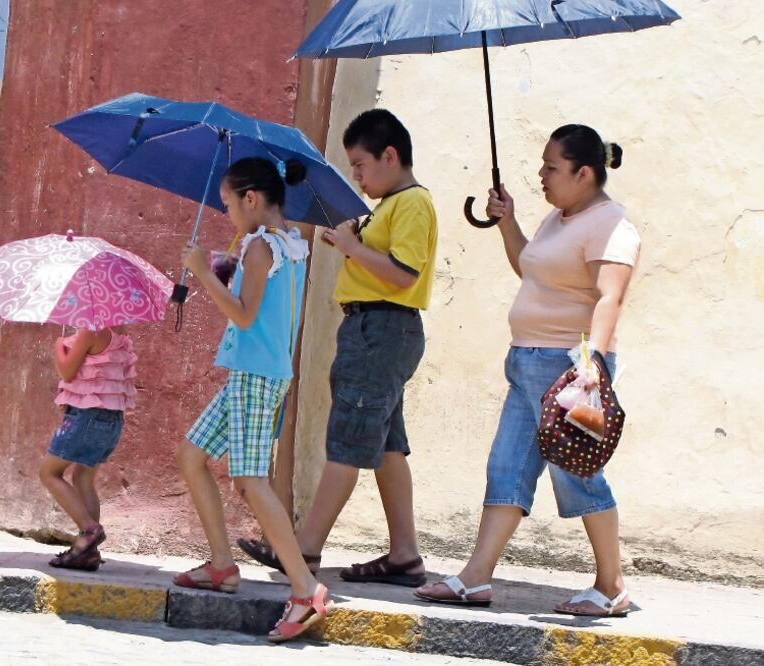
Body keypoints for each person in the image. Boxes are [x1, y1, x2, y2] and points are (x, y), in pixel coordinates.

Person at [414, 125, 641, 618]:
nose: (541, 175)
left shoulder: (611, 224)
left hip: (569, 369)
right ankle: (475, 579)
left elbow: (610, 296)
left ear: (584, 173)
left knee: (578, 476)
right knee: (507, 468)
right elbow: (529, 267)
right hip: (526, 363)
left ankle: (611, 585)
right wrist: (507, 222)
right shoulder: (557, 219)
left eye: (551, 167)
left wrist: (591, 365)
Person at [239, 109, 438, 589]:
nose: (357, 176)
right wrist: (351, 240)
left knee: (347, 441)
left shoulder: (412, 204)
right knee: (387, 445)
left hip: (381, 329)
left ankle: (303, 550)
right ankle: (405, 554)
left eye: (361, 165)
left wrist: (351, 246)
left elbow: (403, 273)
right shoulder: (390, 206)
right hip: (373, 329)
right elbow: (380, 262)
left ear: (390, 156)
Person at [174, 157, 331, 643]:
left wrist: (203, 272)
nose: (227, 215)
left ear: (250, 198)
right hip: (258, 371)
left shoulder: (262, 247)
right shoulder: (288, 244)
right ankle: (222, 564)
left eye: (228, 205)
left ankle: (305, 589)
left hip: (255, 375)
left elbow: (243, 316)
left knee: (250, 481)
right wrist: (228, 266)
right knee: (192, 455)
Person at [39, 326, 136, 572]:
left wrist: (59, 345)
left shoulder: (90, 331)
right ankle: (88, 552)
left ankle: (89, 529)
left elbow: (67, 371)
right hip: (111, 418)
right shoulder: (120, 332)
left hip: (86, 415)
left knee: (49, 474)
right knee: (83, 478)